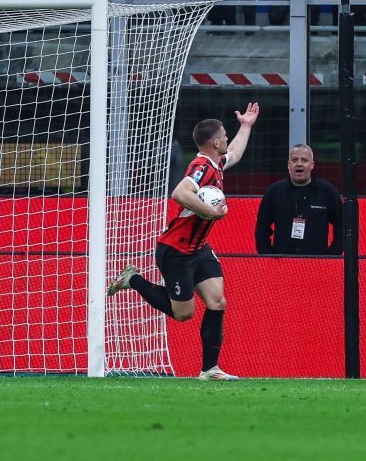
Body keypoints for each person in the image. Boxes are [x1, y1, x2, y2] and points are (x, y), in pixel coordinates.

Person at [107, 103, 260, 381]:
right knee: (183, 314)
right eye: (224, 135)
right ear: (215, 143)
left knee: (217, 301)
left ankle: (210, 370)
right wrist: (211, 212)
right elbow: (180, 192)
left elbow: (236, 153)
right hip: (176, 250)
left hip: (198, 248)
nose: (227, 138)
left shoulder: (215, 163)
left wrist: (246, 126)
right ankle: (133, 280)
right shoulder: (201, 167)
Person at [254, 144, 343, 255]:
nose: (299, 164)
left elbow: (343, 228)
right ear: (288, 165)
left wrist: (329, 257)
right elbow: (262, 229)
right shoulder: (273, 192)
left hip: (317, 262)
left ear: (312, 165)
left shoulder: (328, 192)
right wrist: (268, 257)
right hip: (281, 262)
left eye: (304, 160)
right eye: (294, 160)